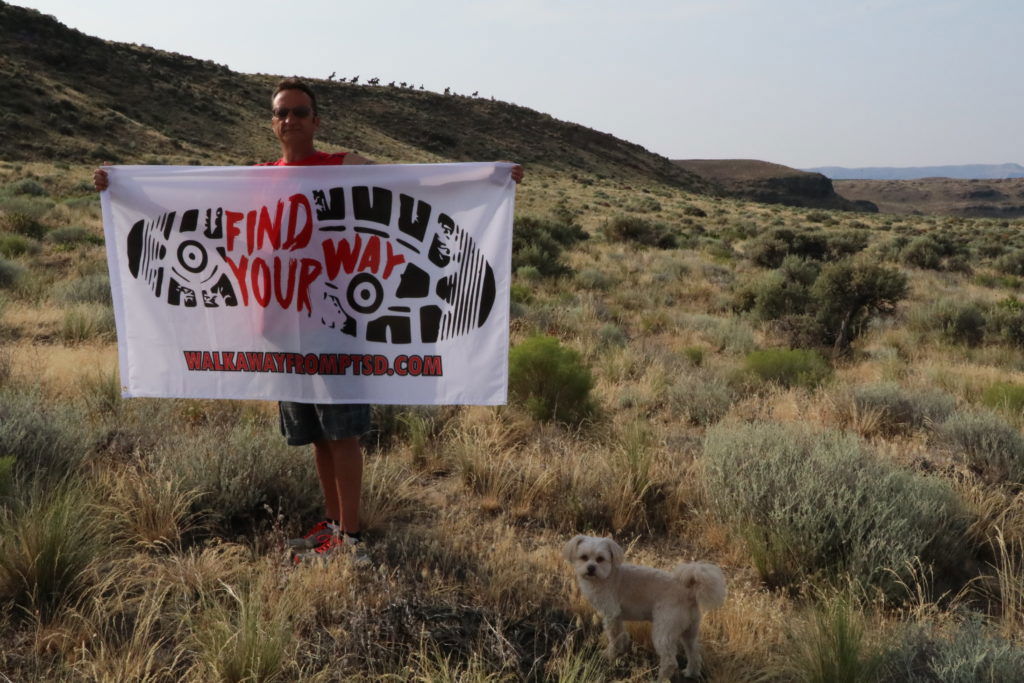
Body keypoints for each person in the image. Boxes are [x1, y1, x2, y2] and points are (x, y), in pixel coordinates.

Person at [96, 78, 523, 564]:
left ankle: (354, 540)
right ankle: (333, 524)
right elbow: (184, 208)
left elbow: (411, 181)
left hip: (333, 327)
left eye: (299, 112)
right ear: (272, 121)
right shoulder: (257, 177)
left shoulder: (341, 167)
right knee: (316, 435)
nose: (290, 120)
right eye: (281, 113)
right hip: (278, 331)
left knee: (342, 432)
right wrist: (121, 191)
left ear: (315, 121)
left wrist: (489, 177)